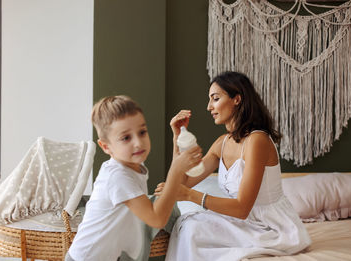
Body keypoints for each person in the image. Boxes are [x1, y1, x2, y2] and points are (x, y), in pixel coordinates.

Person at [156, 71, 311, 261]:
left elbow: (242, 208)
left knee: (193, 229)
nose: (209, 107)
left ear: (237, 99)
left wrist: (188, 195)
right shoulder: (222, 143)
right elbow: (185, 180)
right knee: (187, 224)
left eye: (215, 98)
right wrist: (178, 136)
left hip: (272, 228)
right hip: (243, 222)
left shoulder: (257, 140)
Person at [66, 95, 202, 261]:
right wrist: (176, 170)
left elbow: (176, 174)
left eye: (142, 132)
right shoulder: (117, 176)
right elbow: (157, 219)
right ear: (106, 147)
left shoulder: (131, 164)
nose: (138, 142)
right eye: (126, 138)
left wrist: (177, 137)